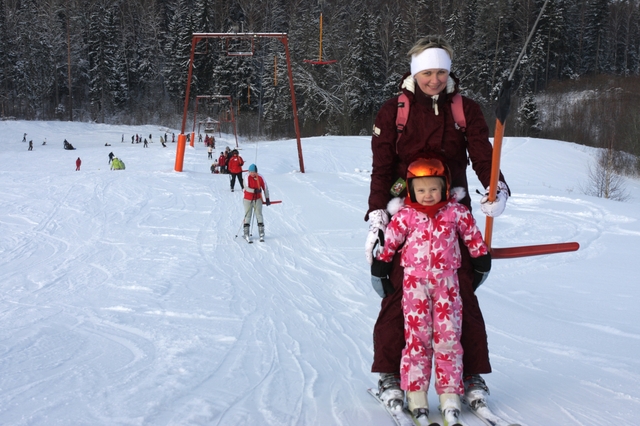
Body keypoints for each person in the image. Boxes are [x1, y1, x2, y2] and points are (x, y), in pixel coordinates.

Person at [365, 35, 510, 412]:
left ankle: (470, 374)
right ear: (415, 72)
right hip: (406, 214)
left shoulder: (464, 109)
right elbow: (382, 167)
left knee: (462, 293)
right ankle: (390, 373)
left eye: (441, 73)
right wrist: (378, 215)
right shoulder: (394, 111)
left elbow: (483, 155)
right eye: (427, 73)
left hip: (452, 214)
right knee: (399, 294)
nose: (434, 80)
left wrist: (496, 188)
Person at [371, 157, 491, 422]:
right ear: (411, 190)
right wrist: (382, 264)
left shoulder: (456, 212)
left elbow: (472, 235)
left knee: (448, 338)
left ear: (445, 187)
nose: (428, 195)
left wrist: (481, 257)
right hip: (414, 285)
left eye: (434, 188)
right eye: (421, 189)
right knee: (417, 339)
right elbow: (390, 242)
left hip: (447, 284)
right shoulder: (405, 215)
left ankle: (450, 395)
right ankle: (417, 395)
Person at [242, 164, 270, 242]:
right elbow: (246, 188)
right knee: (248, 215)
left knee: (259, 215)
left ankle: (261, 233)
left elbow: (265, 188)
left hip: (258, 199)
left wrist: (267, 198)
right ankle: (246, 233)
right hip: (248, 199)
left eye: (254, 172)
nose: (252, 173)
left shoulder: (260, 177)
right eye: (251, 172)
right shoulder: (246, 176)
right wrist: (254, 190)